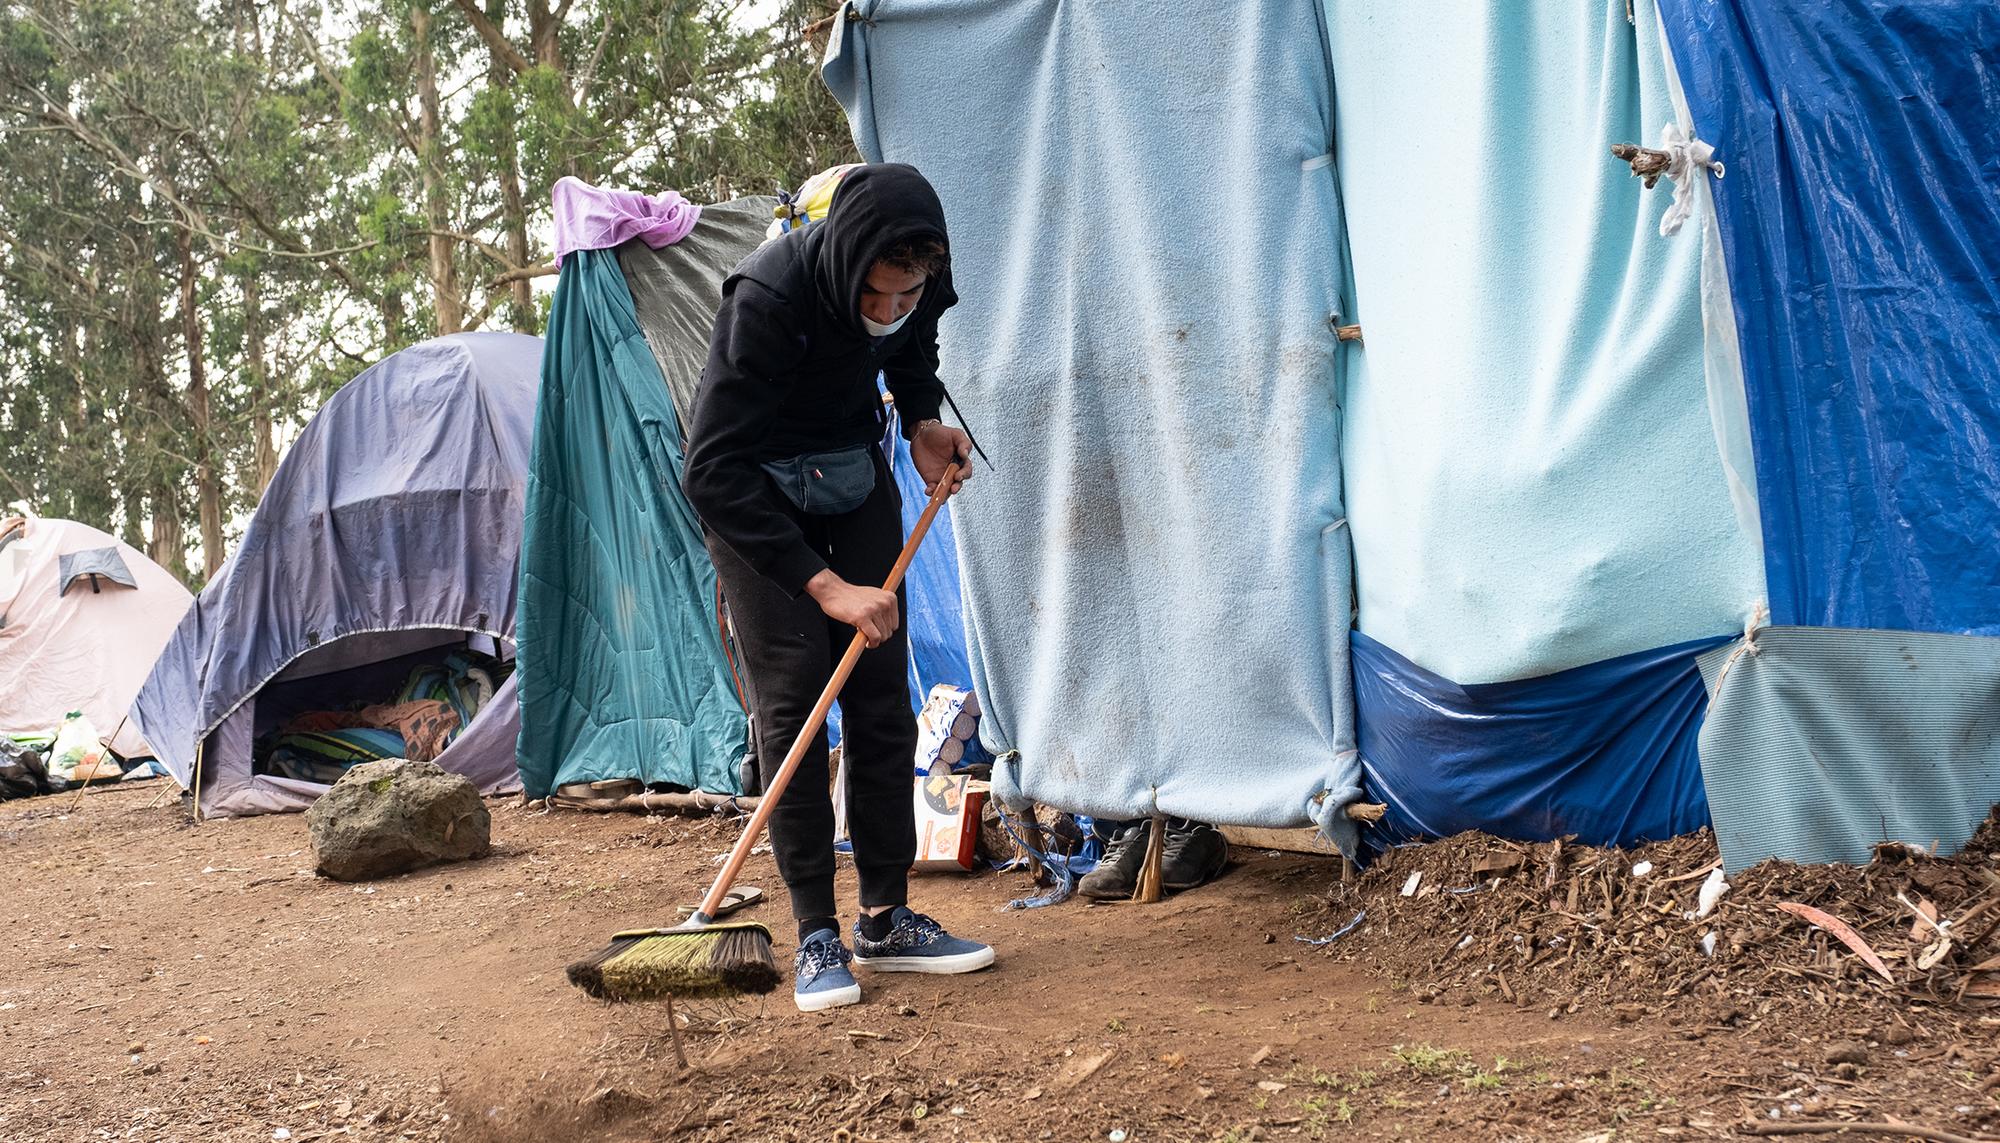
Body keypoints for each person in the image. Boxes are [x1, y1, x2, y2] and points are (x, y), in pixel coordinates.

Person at [682, 163, 993, 1012]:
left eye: (908, 293)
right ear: (846, 261)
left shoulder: (914, 277)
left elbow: (913, 347)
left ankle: (884, 918)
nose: (891, 309)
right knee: (796, 709)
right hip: (756, 493)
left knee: (881, 694)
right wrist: (823, 586)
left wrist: (923, 418)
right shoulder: (769, 300)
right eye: (878, 296)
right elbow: (709, 471)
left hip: (852, 470)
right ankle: (817, 931)